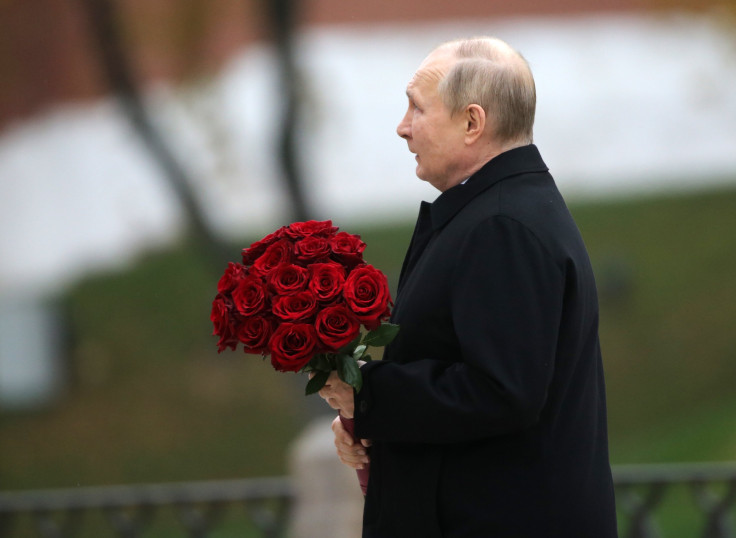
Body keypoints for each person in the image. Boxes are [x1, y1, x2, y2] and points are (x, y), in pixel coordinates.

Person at [317, 36, 618, 537]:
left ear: (472, 123)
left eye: (417, 107)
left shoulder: (503, 225)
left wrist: (366, 395)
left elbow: (500, 392)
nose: (402, 127)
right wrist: (372, 420)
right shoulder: (501, 211)